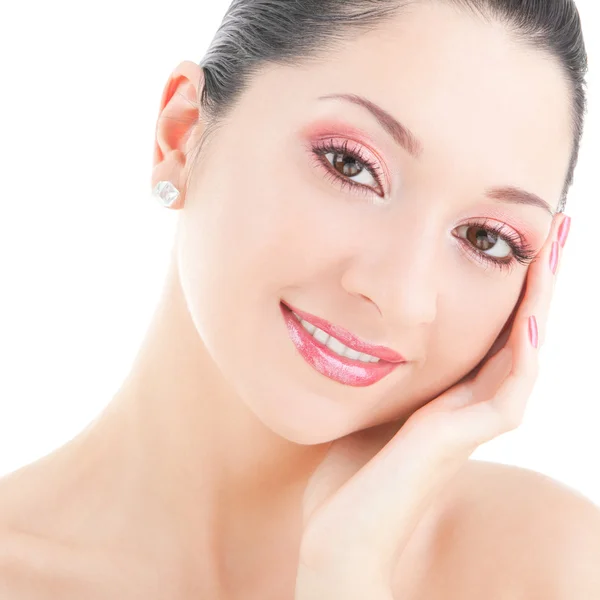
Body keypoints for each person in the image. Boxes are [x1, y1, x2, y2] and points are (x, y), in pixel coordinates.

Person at [1, 0, 599, 598]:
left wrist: (346, 573)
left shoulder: (557, 569)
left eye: (485, 238)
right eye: (352, 165)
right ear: (181, 135)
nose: (401, 295)